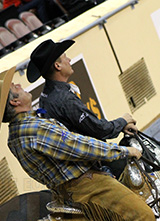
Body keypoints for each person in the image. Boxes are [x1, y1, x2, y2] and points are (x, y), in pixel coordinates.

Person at [0, 67, 160, 221]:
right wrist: (122, 151)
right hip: (90, 187)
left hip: (63, 194)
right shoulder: (33, 128)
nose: (18, 84)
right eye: (14, 86)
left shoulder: (15, 136)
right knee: (143, 217)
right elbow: (77, 146)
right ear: (15, 101)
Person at [26, 39, 137, 178]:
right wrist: (123, 121)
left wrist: (120, 126)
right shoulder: (64, 99)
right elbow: (99, 130)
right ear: (58, 65)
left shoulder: (46, 96)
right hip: (91, 163)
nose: (69, 59)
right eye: (65, 57)